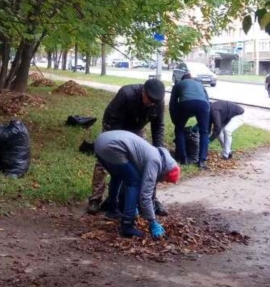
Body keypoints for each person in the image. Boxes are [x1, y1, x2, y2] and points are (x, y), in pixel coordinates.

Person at [87, 78, 167, 215]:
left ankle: (151, 199)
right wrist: (120, 148)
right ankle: (95, 199)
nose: (150, 103)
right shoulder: (126, 94)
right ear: (143, 91)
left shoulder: (157, 103)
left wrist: (158, 150)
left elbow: (158, 127)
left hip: (137, 128)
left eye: (154, 101)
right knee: (104, 161)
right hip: (114, 125)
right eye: (148, 99)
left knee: (146, 161)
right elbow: (113, 120)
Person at [94, 130, 180, 238]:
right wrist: (152, 221)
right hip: (111, 146)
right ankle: (127, 224)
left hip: (100, 142)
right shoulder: (155, 162)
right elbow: (145, 195)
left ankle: (112, 209)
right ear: (166, 174)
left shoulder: (157, 155)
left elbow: (148, 189)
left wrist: (139, 207)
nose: (163, 182)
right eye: (165, 180)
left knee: (118, 176)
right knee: (134, 183)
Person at [170, 72, 211, 169]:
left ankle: (183, 158)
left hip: (186, 104)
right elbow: (207, 100)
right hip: (203, 105)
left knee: (179, 130)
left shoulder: (178, 84)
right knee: (204, 132)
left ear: (182, 79)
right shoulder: (199, 84)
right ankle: (201, 161)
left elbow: (173, 105)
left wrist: (176, 122)